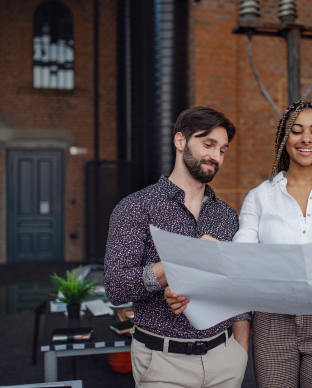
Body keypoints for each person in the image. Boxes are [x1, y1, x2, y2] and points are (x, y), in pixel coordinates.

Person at [167, 100, 312, 387]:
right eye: (296, 131)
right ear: (284, 138)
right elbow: (240, 259)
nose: (307, 139)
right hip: (272, 325)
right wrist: (200, 273)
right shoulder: (261, 196)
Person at [103, 106, 251, 388]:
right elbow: (116, 288)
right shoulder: (136, 207)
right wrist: (182, 261)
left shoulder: (227, 216)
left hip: (225, 360)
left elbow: (238, 290)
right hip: (163, 363)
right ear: (180, 141)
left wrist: (240, 350)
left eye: (223, 150)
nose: (216, 156)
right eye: (208, 144)